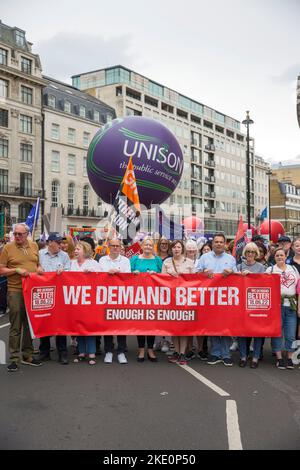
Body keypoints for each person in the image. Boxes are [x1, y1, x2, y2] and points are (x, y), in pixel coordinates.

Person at [0, 223, 43, 371]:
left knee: (29, 324)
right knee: (16, 324)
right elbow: (1, 270)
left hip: (31, 290)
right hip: (15, 290)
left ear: (27, 234)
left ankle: (27, 355)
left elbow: (37, 264)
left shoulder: (34, 246)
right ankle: (14, 358)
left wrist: (39, 268)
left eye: (20, 234)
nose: (17, 236)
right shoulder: (8, 248)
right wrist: (15, 270)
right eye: (15, 233)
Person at [195, 233, 237, 366]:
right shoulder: (204, 257)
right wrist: (203, 273)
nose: (218, 244)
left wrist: (231, 272)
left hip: (225, 298)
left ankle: (225, 354)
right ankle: (215, 353)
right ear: (212, 244)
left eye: (221, 242)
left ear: (225, 244)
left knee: (225, 326)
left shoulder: (231, 259)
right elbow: (195, 275)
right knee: (212, 326)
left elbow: (236, 276)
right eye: (216, 242)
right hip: (209, 298)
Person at [38, 232, 71, 364]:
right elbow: (35, 269)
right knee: (44, 321)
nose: (61, 245)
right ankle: (44, 352)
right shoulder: (40, 254)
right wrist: (38, 268)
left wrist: (64, 271)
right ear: (50, 242)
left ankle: (62, 352)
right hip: (44, 292)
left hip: (59, 294)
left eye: (61, 242)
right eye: (58, 242)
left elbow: (70, 271)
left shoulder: (64, 256)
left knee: (60, 323)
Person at [162, 240, 195, 365]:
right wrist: (169, 274)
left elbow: (195, 281)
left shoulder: (190, 262)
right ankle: (176, 351)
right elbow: (161, 279)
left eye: (179, 247)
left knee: (183, 327)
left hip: (185, 300)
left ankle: (182, 353)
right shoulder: (166, 262)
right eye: (174, 247)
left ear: (182, 249)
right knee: (174, 328)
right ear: (171, 249)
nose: (176, 249)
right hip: (171, 299)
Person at [98, 237, 131, 364]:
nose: (115, 248)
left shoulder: (125, 261)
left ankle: (121, 351)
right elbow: (98, 277)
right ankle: (108, 351)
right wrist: (108, 273)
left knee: (121, 325)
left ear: (121, 247)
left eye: (118, 246)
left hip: (121, 297)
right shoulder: (102, 260)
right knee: (108, 325)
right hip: (106, 297)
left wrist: (118, 272)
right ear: (108, 246)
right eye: (113, 246)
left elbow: (128, 277)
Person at [266, 247, 299, 369]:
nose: (280, 257)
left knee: (290, 334)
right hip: (276, 306)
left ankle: (289, 358)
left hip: (291, 305)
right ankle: (279, 358)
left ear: (286, 256)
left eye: (282, 255)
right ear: (274, 258)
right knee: (277, 333)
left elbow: (298, 287)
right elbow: (261, 283)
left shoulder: (293, 269)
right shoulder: (270, 270)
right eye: (277, 256)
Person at [130, 237, 162, 362]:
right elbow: (128, 274)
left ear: (152, 247)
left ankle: (150, 349)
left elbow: (163, 276)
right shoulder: (134, 259)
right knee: (140, 323)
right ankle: (141, 349)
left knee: (151, 323)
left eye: (150, 245)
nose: (148, 247)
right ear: (142, 246)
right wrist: (134, 273)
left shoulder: (158, 260)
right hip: (138, 296)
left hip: (153, 296)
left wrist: (156, 275)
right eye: (146, 245)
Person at [71, 241, 100, 365]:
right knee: (78, 327)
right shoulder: (72, 263)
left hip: (90, 301)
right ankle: (81, 352)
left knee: (89, 327)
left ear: (85, 250)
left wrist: (92, 272)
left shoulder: (93, 263)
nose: (75, 251)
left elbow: (101, 277)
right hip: (75, 300)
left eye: (78, 249)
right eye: (75, 249)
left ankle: (92, 353)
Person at [237, 243, 265, 368]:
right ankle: (243, 356)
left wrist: (252, 276)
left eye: (253, 252)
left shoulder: (261, 267)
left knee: (258, 332)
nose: (250, 254)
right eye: (248, 251)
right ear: (244, 253)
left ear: (256, 254)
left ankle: (255, 357)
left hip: (256, 304)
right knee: (242, 331)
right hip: (241, 304)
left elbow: (264, 283)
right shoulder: (239, 266)